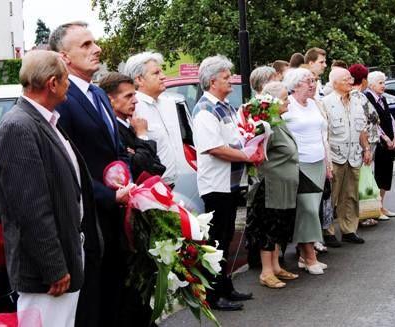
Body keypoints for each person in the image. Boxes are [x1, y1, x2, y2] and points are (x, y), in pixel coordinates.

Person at [0, 50, 92, 327]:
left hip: (61, 261)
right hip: (45, 276)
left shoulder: (41, 121)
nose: (69, 85)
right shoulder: (19, 127)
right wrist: (53, 267)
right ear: (52, 83)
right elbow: (30, 208)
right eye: (66, 79)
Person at [49, 21, 130, 327]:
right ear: (63, 57)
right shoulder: (63, 100)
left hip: (114, 218)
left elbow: (117, 150)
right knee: (91, 308)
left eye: (94, 43)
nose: (96, 49)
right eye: (85, 45)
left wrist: (128, 180)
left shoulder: (97, 94)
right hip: (86, 221)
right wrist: (109, 195)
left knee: (113, 299)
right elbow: (69, 168)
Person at [192, 55, 255, 311]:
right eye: (226, 77)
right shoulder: (205, 110)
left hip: (230, 183)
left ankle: (226, 286)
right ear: (212, 80)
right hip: (216, 186)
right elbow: (215, 148)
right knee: (217, 241)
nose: (231, 80)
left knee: (227, 236)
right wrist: (248, 156)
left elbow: (235, 138)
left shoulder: (225, 106)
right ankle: (214, 295)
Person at [244, 81, 300, 288]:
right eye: (285, 98)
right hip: (272, 186)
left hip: (284, 185)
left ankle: (275, 266)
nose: (289, 102)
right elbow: (255, 153)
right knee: (269, 227)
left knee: (279, 227)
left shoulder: (279, 121)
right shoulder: (265, 125)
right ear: (273, 101)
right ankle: (266, 272)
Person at [282, 68, 328, 275]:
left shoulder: (313, 104)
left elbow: (322, 135)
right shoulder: (287, 105)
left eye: (313, 80)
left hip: (318, 162)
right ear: (295, 84)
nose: (313, 84)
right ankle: (310, 257)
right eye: (307, 81)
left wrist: (329, 163)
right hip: (299, 165)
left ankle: (303, 254)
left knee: (311, 210)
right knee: (307, 210)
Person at [321, 68, 372, 244]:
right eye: (346, 79)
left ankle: (349, 229)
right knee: (331, 196)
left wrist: (366, 148)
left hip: (354, 155)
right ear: (334, 83)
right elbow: (324, 133)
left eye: (350, 78)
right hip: (335, 155)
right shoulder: (326, 103)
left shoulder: (357, 101)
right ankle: (327, 231)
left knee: (350, 195)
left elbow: (361, 128)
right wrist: (326, 159)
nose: (351, 81)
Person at [122, 51, 185, 187]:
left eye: (161, 72)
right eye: (156, 73)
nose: (163, 76)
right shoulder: (134, 107)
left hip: (174, 182)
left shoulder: (169, 103)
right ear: (139, 79)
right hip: (149, 186)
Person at [99, 72, 166, 181]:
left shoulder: (131, 126)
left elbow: (157, 167)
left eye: (134, 95)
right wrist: (142, 136)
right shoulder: (110, 130)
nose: (135, 100)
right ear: (110, 99)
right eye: (128, 96)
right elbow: (139, 168)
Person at [365, 71, 395, 220]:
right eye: (380, 83)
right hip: (378, 143)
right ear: (371, 84)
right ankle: (375, 209)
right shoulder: (367, 98)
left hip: (389, 142)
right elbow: (372, 122)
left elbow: (389, 118)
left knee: (386, 175)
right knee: (377, 175)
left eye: (384, 82)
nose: (383, 85)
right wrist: (385, 138)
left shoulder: (382, 99)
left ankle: (381, 206)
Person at [349, 64, 380, 227]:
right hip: (364, 143)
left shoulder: (355, 95)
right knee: (363, 179)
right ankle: (364, 214)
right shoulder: (358, 96)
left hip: (363, 142)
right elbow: (366, 121)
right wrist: (367, 147)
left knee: (362, 178)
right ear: (364, 79)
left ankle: (364, 213)